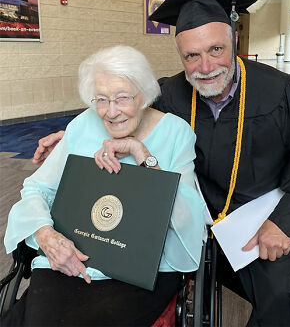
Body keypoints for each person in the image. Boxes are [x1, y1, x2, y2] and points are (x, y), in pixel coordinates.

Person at [32, 0, 290, 326]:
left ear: (233, 40)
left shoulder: (281, 91)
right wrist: (72, 135)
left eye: (215, 50)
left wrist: (283, 224)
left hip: (260, 218)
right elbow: (122, 110)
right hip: (189, 216)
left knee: (278, 301)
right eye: (191, 56)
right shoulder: (170, 92)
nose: (206, 67)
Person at [3, 45, 208, 326]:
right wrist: (45, 235)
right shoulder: (82, 124)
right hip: (71, 261)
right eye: (101, 99)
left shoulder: (176, 133)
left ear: (145, 96)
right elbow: (37, 189)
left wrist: (142, 153)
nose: (111, 112)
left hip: (141, 271)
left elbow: (186, 216)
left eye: (122, 98)